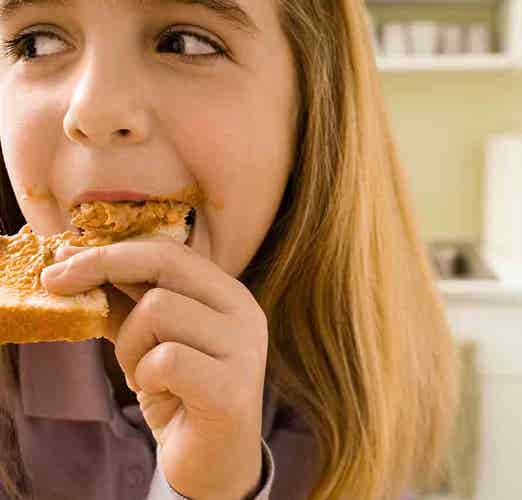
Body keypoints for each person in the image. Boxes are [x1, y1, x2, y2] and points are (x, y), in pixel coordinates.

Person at [0, 0, 458, 499]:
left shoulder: (350, 407)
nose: (93, 110)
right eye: (36, 42)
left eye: (185, 42)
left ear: (312, 105)